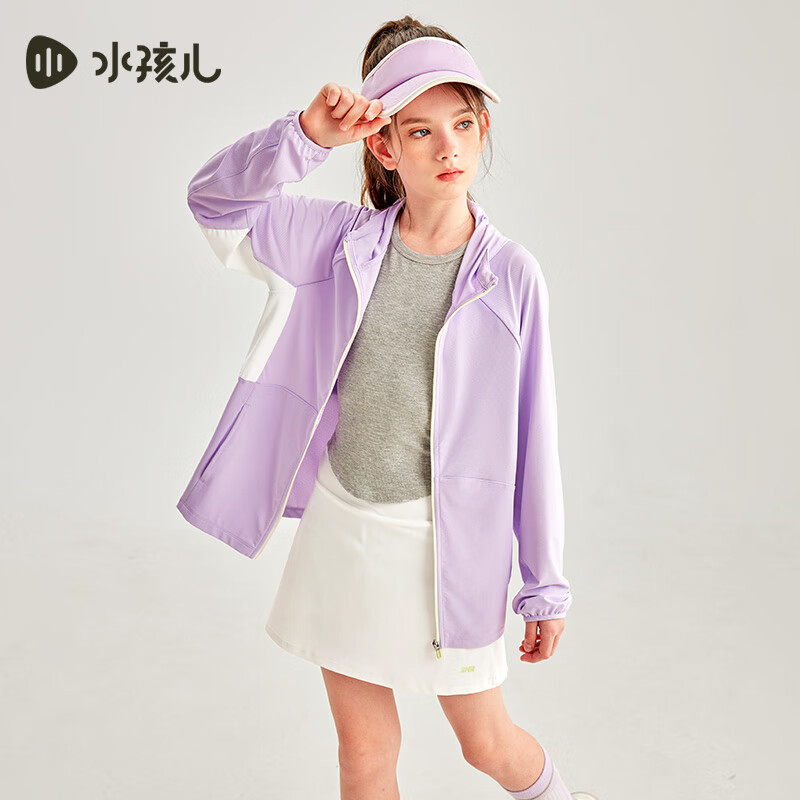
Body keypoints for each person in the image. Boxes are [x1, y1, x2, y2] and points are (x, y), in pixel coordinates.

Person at [177, 14, 599, 800]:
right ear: (384, 147)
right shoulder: (335, 242)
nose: (448, 149)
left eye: (463, 124)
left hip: (448, 550)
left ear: (482, 129)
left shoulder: (511, 276)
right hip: (345, 533)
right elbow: (213, 202)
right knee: (364, 755)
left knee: (487, 746)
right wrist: (306, 136)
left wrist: (544, 583)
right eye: (421, 131)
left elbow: (534, 438)